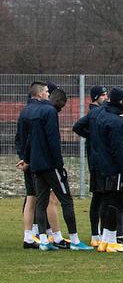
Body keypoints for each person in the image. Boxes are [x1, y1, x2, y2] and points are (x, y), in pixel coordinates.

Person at [26, 83, 92, 251]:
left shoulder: (31, 111)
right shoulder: (49, 112)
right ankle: (75, 241)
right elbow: (53, 140)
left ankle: (43, 240)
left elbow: (28, 139)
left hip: (36, 164)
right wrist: (59, 165)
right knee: (66, 200)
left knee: (41, 202)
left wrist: (27, 158)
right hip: (50, 164)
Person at [16, 84, 59, 249]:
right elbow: (29, 139)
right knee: (44, 199)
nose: (49, 95)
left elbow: (19, 138)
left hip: (30, 161)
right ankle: (49, 235)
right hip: (39, 162)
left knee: (32, 198)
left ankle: (31, 235)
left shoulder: (26, 111)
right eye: (48, 92)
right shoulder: (41, 112)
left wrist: (23, 158)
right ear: (40, 93)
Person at [91, 87, 123, 253]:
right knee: (114, 203)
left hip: (101, 166)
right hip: (113, 168)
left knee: (106, 202)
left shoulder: (101, 116)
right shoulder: (116, 122)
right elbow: (119, 150)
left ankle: (105, 240)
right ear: (122, 102)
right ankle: (111, 241)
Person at [73, 85, 109, 247]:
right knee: (101, 198)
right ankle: (99, 234)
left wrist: (90, 136)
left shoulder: (92, 113)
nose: (106, 97)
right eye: (103, 95)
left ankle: (97, 233)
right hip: (101, 162)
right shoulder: (98, 113)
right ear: (96, 97)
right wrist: (92, 137)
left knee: (98, 197)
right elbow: (77, 127)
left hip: (95, 162)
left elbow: (77, 127)